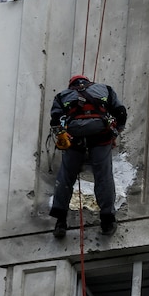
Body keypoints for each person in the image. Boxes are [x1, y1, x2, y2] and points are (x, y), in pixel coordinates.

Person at [49, 75, 127, 237]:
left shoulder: (62, 95)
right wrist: (115, 132)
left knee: (66, 177)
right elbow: (120, 112)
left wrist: (62, 136)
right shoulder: (106, 89)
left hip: (75, 139)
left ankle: (60, 221)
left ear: (71, 85)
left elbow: (55, 121)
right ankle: (107, 220)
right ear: (88, 81)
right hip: (100, 136)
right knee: (103, 176)